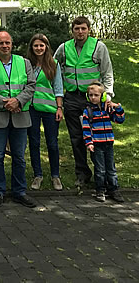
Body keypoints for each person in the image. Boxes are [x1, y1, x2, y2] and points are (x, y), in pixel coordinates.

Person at [54, 16, 115, 188]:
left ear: (89, 29)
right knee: (76, 138)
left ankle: (101, 173)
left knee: (97, 137)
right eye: (76, 29)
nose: (80, 32)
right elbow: (53, 67)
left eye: (83, 29)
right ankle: (82, 173)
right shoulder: (64, 48)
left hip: (93, 99)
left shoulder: (98, 47)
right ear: (72, 30)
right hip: (72, 98)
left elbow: (107, 72)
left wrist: (107, 96)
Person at [0, 31, 36, 208]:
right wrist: (4, 103)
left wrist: (18, 100)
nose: (4, 46)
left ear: (12, 44)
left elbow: (31, 85)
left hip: (20, 115)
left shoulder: (24, 62)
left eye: (7, 43)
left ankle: (19, 191)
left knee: (19, 156)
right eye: (1, 43)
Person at [26, 34, 64, 191]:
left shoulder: (53, 64)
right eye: (36, 46)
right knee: (34, 143)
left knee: (52, 144)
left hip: (49, 109)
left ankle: (55, 176)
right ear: (32, 47)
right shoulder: (27, 64)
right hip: (32, 109)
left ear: (46, 47)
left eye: (42, 45)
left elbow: (58, 87)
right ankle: (38, 175)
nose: (39, 48)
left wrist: (59, 107)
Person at [83, 82, 125, 203]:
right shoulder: (88, 111)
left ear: (102, 96)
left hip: (109, 143)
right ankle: (100, 190)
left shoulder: (108, 109)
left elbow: (119, 119)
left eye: (96, 95)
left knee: (111, 168)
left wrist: (117, 107)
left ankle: (113, 189)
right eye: (90, 95)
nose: (93, 97)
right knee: (100, 169)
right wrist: (89, 143)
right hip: (96, 144)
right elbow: (86, 128)